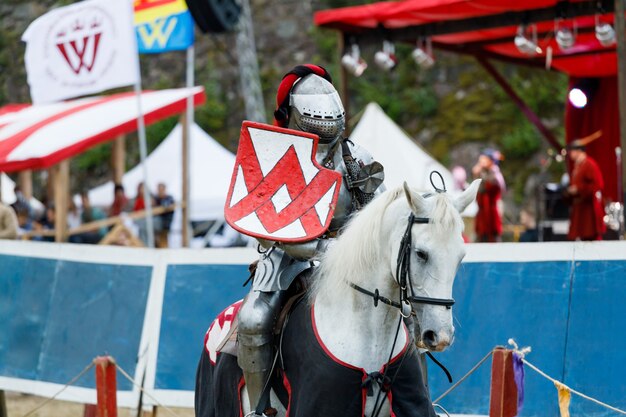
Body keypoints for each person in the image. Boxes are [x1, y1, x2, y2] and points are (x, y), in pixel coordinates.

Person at [235, 64, 385, 415]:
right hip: (289, 255)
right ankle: (260, 408)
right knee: (253, 320)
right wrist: (328, 250)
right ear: (294, 116)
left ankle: (415, 405)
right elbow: (276, 227)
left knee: (407, 311)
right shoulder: (275, 157)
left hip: (354, 256)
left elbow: (379, 212)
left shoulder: (357, 158)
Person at [564, 138, 605, 241]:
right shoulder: (578, 166)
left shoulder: (589, 164)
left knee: (590, 238)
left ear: (579, 151)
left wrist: (578, 189)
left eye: (572, 151)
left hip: (588, 209)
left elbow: (598, 185)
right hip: (579, 208)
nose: (570, 154)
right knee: (581, 239)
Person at [472, 148, 506, 242]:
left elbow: (489, 187)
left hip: (492, 214)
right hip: (483, 214)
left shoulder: (494, 173)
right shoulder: (484, 173)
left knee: (493, 238)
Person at [154, 182, 174, 248]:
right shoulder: (155, 199)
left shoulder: (169, 199)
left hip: (165, 225)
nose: (160, 192)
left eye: (161, 190)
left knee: (163, 241)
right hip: (157, 226)